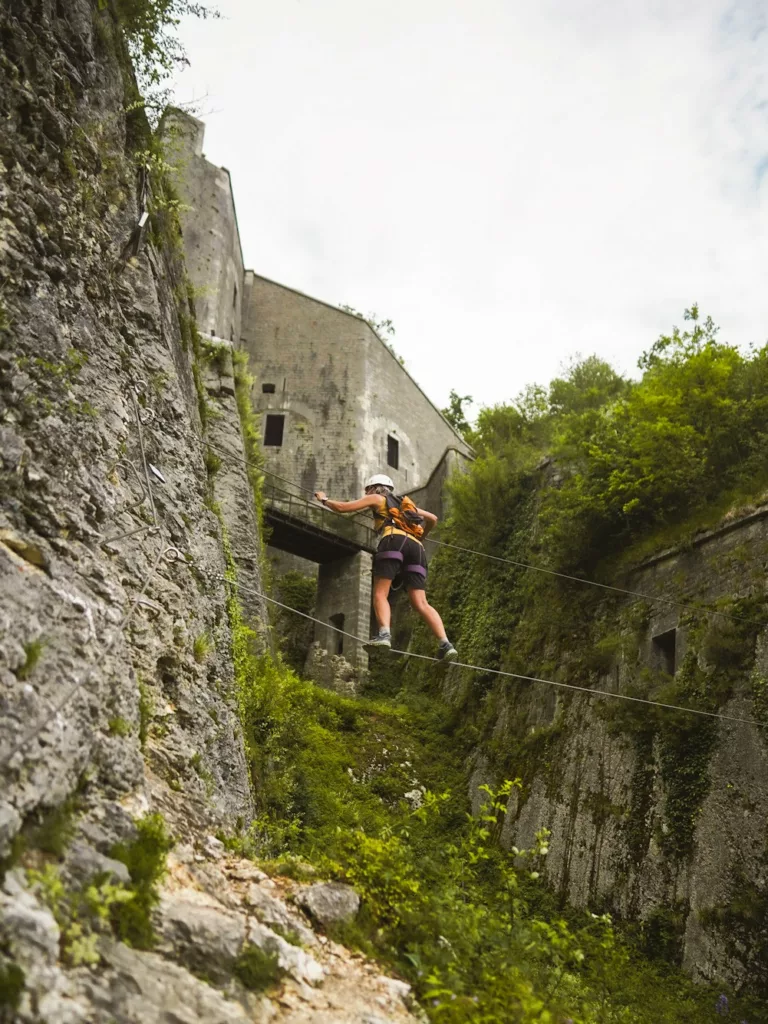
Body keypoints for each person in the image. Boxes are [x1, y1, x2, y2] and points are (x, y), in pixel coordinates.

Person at [314, 474, 458, 662]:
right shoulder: (408, 506)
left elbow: (343, 508)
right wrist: (420, 537)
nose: (366, 493)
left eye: (367, 490)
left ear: (374, 488)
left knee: (381, 594)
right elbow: (432, 518)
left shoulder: (377, 498)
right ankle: (445, 644)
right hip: (417, 549)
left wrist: (324, 499)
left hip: (392, 540)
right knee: (421, 603)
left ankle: (384, 635)